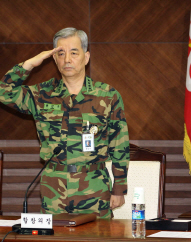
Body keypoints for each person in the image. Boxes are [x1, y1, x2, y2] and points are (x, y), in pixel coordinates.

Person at [0, 28, 129, 218]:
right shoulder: (41, 95)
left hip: (94, 188)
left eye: (74, 53)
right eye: (61, 53)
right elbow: (4, 92)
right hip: (54, 189)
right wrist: (28, 65)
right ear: (54, 59)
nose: (67, 59)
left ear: (86, 57)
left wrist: (119, 188)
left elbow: (120, 144)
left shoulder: (107, 95)